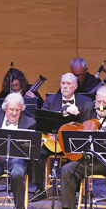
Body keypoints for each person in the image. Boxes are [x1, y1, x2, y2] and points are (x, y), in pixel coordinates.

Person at [35, 72, 95, 201]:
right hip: (53, 141)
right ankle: (40, 189)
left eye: (68, 84)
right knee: (37, 152)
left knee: (76, 156)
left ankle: (73, 190)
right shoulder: (51, 100)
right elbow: (41, 120)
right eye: (63, 83)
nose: (65, 86)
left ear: (75, 86)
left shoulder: (86, 102)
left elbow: (88, 124)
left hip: (72, 142)